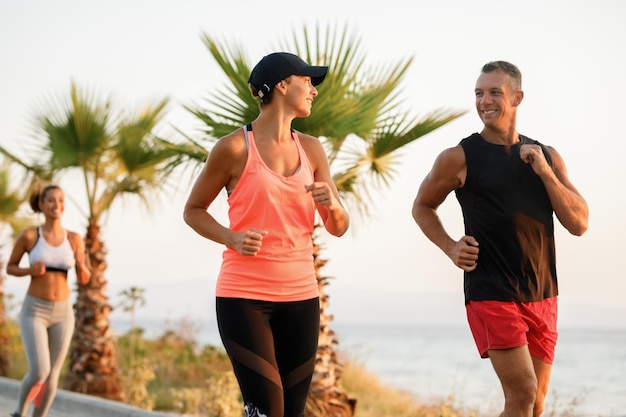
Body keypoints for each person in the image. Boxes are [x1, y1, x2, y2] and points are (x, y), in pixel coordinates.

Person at [411, 61, 588, 417]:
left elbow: (579, 222)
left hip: (542, 292)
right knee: (522, 394)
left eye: (494, 92)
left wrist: (545, 173)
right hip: (490, 290)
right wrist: (450, 247)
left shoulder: (546, 156)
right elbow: (422, 206)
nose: (484, 101)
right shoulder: (459, 157)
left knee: (535, 404)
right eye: (479, 93)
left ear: (517, 97)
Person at [183, 52, 350, 417]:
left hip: (302, 297)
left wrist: (333, 205)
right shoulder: (233, 148)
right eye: (308, 82)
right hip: (243, 298)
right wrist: (232, 238)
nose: (313, 91)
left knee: (292, 412)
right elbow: (192, 211)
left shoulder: (312, 149)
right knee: (267, 410)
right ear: (282, 85)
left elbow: (338, 227)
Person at [6, 184, 91, 417]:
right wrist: (30, 270)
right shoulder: (30, 236)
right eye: (51, 200)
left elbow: (85, 279)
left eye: (61, 200)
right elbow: (10, 267)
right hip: (35, 310)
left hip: (63, 313)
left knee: (53, 375)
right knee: (39, 371)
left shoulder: (74, 239)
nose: (57, 205)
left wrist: (82, 263)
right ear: (41, 205)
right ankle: (20, 413)